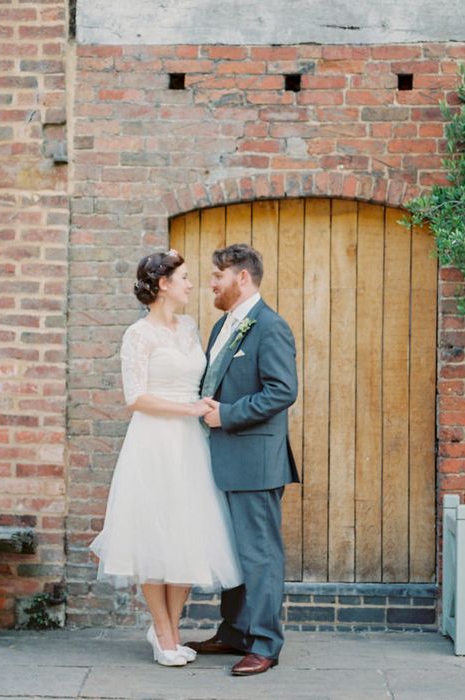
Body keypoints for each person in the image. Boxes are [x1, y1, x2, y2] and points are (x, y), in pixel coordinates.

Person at [90, 249, 242, 668]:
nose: (193, 285)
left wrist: (206, 407)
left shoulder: (191, 327)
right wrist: (189, 408)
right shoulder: (138, 335)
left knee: (188, 536)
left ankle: (172, 631)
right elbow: (135, 397)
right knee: (155, 538)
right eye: (186, 277)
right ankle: (161, 631)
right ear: (163, 285)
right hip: (154, 443)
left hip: (191, 445)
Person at [187, 243, 299, 677]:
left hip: (255, 461)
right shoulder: (221, 327)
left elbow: (282, 391)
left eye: (218, 276)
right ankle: (234, 631)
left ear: (243, 278)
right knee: (232, 552)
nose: (212, 284)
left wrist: (227, 415)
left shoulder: (270, 326)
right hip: (221, 461)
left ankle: (266, 644)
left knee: (260, 555)